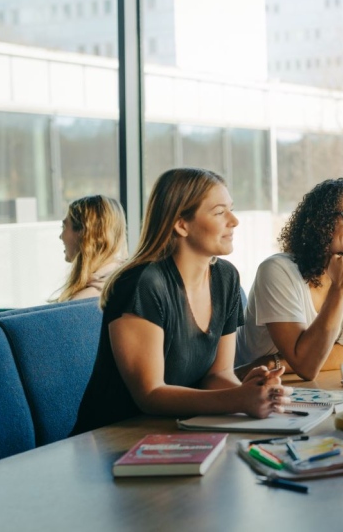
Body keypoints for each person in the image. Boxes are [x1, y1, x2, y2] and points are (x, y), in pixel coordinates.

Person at [72, 168, 291, 435]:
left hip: (179, 430)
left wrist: (251, 392)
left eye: (231, 209)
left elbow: (217, 374)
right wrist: (238, 399)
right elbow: (150, 394)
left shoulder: (226, 277)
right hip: (116, 438)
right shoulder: (141, 283)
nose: (234, 221)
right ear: (181, 224)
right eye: (220, 212)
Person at [235, 178, 343, 381]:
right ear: (320, 224)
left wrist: (273, 362)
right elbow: (306, 366)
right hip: (251, 387)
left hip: (289, 382)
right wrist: (341, 288)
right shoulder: (277, 270)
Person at [54, 195, 127, 302]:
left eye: (64, 227)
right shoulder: (125, 279)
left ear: (84, 234)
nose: (60, 236)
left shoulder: (83, 300)